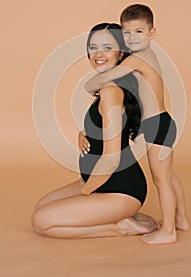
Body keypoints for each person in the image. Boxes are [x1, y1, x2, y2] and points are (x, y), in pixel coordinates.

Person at [32, 23, 159, 239]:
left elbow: (111, 159)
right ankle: (116, 215)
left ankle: (119, 226)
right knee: (41, 206)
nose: (98, 54)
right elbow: (108, 128)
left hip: (119, 189)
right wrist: (84, 134)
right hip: (100, 181)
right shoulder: (107, 85)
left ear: (121, 53)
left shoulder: (111, 92)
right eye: (93, 47)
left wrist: (86, 191)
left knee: (40, 222)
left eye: (107, 47)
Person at [84, 5, 189, 244]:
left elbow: (101, 79)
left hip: (157, 125)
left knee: (162, 180)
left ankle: (169, 231)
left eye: (139, 32)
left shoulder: (139, 58)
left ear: (153, 33)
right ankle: (181, 219)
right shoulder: (140, 56)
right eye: (127, 33)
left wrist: (88, 86)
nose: (132, 38)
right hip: (160, 123)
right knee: (170, 177)